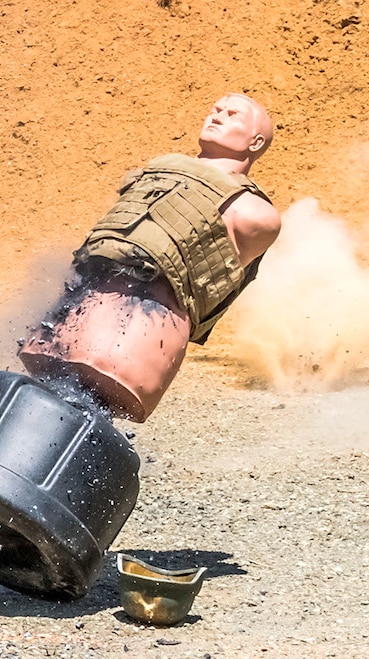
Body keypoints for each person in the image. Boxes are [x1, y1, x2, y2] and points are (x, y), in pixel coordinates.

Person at [19, 92, 281, 420]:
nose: (217, 116)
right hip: (72, 312)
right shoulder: (157, 171)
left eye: (232, 115)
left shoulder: (254, 214)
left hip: (138, 338)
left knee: (78, 421)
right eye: (216, 109)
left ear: (256, 142)